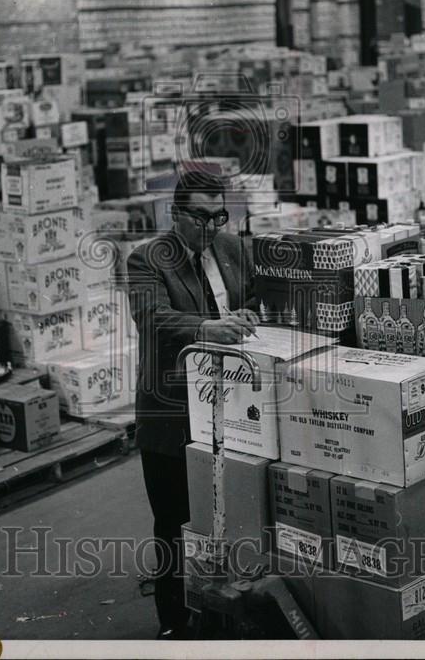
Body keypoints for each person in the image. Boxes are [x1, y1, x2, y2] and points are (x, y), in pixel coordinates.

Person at [126, 169, 259, 639]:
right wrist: (206, 328)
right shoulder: (146, 260)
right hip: (173, 411)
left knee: (229, 512)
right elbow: (153, 317)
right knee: (174, 519)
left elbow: (253, 297)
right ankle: (172, 621)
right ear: (175, 214)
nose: (210, 226)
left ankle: (221, 603)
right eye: (200, 217)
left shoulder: (229, 248)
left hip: (231, 406)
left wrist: (248, 315)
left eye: (218, 215)